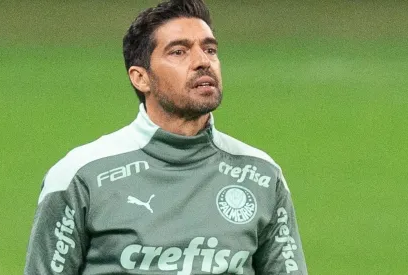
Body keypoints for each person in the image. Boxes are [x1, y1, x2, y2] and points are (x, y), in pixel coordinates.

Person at [24, 0, 308, 274]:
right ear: (140, 78)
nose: (202, 62)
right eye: (179, 52)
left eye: (210, 50)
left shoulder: (261, 175)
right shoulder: (79, 176)